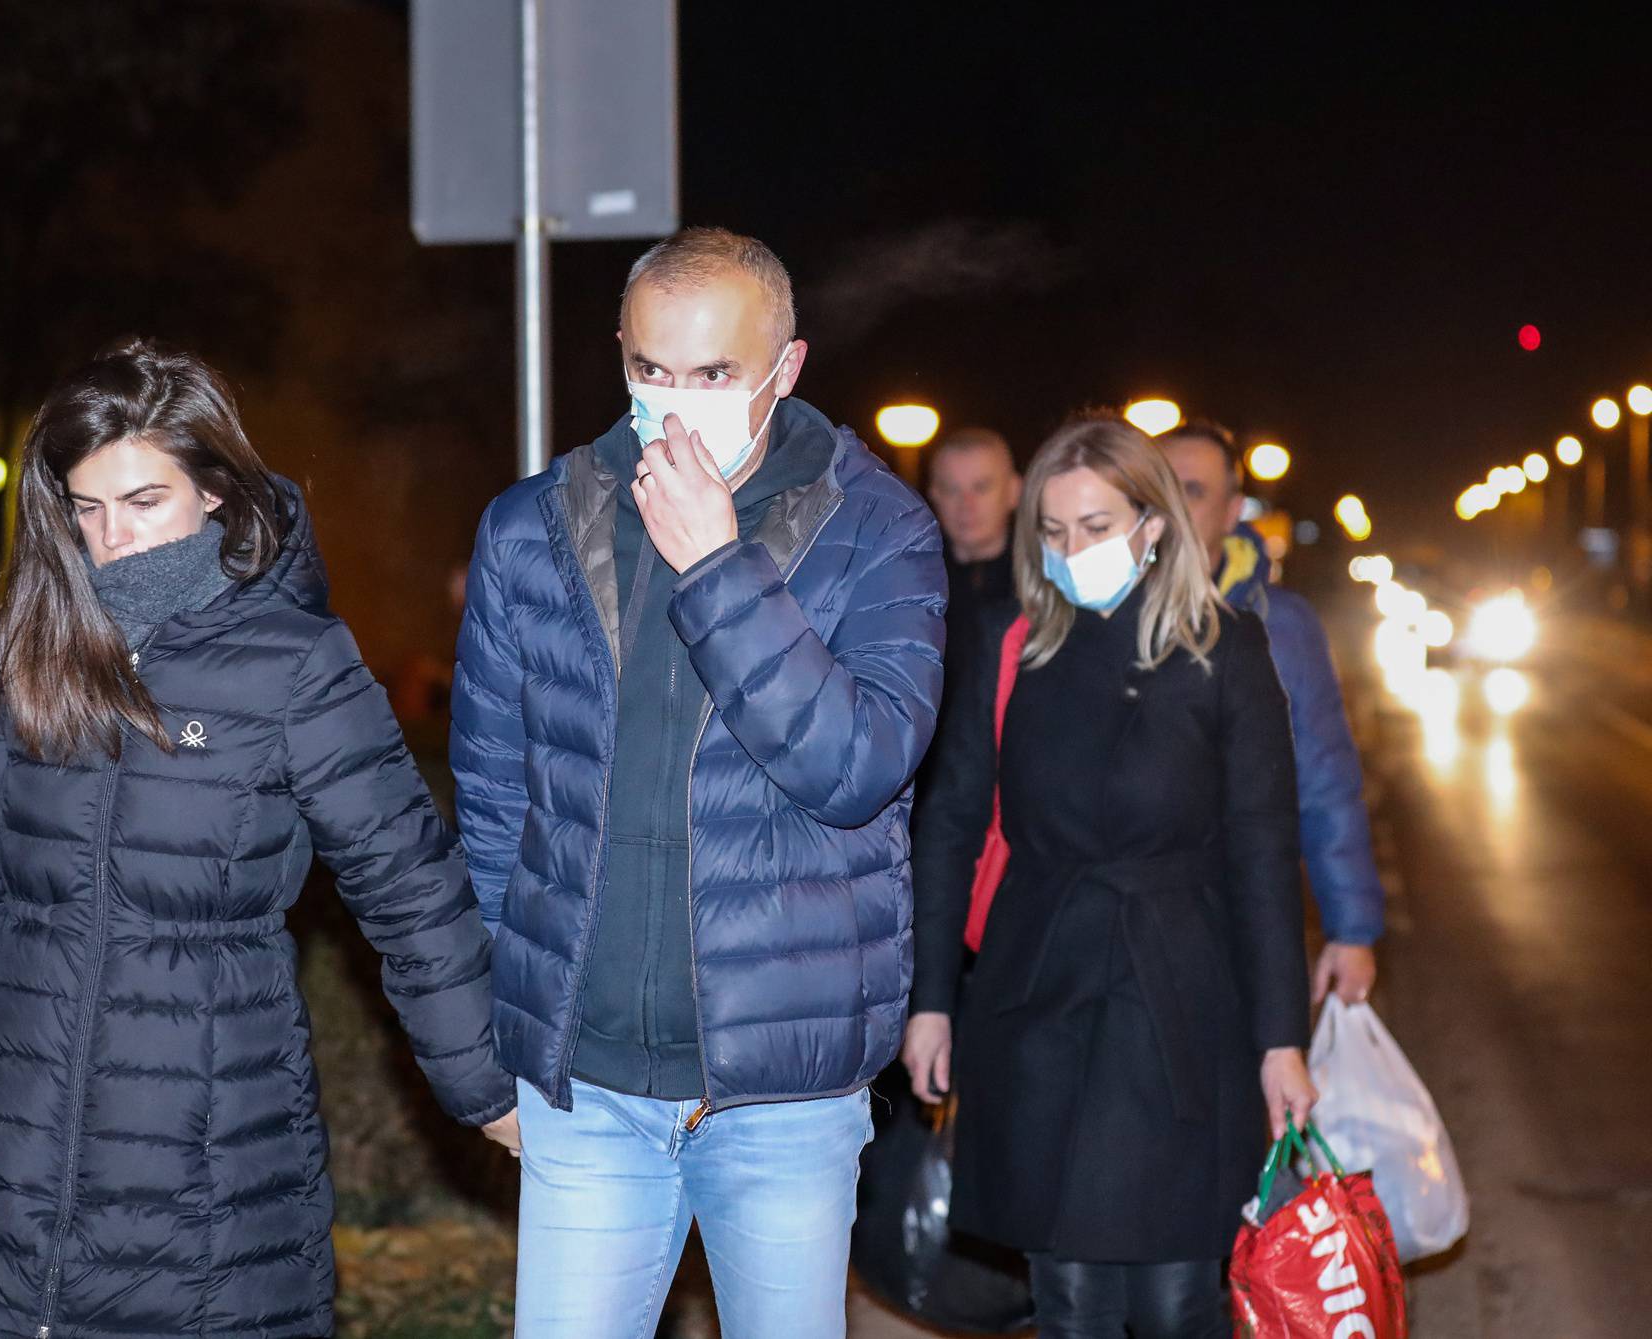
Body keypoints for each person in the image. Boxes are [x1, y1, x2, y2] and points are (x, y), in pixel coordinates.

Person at [0, 340, 518, 1339]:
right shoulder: (24, 653)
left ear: (217, 490)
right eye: (87, 509)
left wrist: (486, 1084)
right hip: (4, 1177)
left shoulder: (294, 664)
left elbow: (406, 882)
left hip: (205, 1189)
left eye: (144, 500)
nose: (114, 539)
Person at [450, 226, 947, 1338]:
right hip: (587, 1091)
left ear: (787, 368)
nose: (675, 406)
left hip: (783, 1090)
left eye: (715, 375)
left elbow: (858, 766)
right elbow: (491, 802)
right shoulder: (534, 528)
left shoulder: (877, 529)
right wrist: (499, 1042)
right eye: (649, 371)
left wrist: (718, 569)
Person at [903, 414, 1315, 1339]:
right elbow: (952, 824)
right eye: (1051, 532)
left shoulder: (1226, 651)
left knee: (1176, 1305)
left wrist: (1281, 1039)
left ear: (1153, 523)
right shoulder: (1014, 647)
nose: (1070, 550)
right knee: (1072, 1303)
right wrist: (931, 999)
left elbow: (1262, 846)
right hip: (1036, 997)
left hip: (1182, 1010)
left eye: (1094, 527)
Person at [1160, 419, 1385, 1004]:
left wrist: (1351, 929)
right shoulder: (1101, 614)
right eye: (1160, 485)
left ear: (1234, 511)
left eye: (1195, 490)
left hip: (1242, 916)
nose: (1176, 506)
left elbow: (1325, 777)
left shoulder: (1280, 625)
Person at [926, 427, 1023, 630]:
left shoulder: (1048, 584)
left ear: (1014, 491)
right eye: (952, 489)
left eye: (981, 487)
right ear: (934, 495)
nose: (966, 505)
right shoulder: (908, 586)